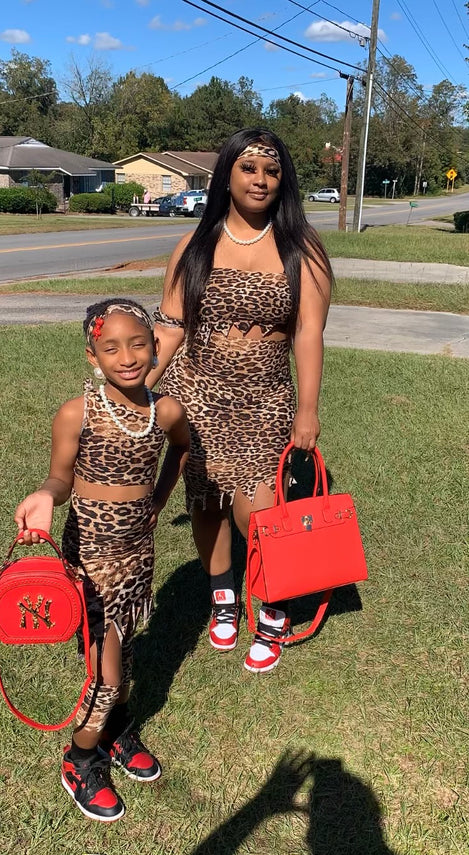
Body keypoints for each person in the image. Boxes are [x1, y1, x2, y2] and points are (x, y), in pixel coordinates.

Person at [150, 127, 332, 674]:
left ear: (283, 180)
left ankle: (273, 607)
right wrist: (134, 390)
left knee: (261, 514)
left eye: (272, 171)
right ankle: (223, 597)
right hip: (199, 394)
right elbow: (171, 325)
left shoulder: (303, 250)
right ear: (226, 175)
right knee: (207, 503)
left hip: (266, 400)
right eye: (248, 168)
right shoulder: (195, 245)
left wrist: (307, 410)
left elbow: (309, 334)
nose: (260, 179)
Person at [14, 299, 190, 823]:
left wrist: (158, 500)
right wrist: (45, 496)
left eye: (137, 344)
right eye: (111, 348)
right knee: (106, 674)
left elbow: (181, 449)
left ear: (155, 347)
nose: (127, 357)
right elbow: (60, 477)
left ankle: (114, 731)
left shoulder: (165, 411)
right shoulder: (78, 412)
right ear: (93, 355)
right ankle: (80, 758)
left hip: (137, 554)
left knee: (125, 650)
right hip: (89, 559)